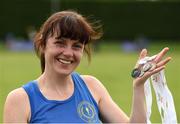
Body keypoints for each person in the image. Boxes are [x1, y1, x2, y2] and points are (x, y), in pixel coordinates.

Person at [3, 10, 171, 123]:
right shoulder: (20, 100)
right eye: (60, 43)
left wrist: (138, 86)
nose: (68, 53)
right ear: (42, 45)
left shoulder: (91, 86)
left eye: (76, 46)